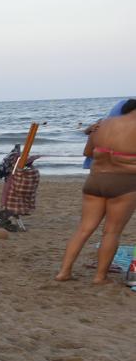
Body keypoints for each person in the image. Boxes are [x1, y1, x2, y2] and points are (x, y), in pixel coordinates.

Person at [56, 98, 136, 284]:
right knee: (111, 232)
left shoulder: (100, 125)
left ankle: (63, 272)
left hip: (95, 181)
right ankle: (100, 277)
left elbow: (88, 153)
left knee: (83, 229)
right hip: (124, 184)